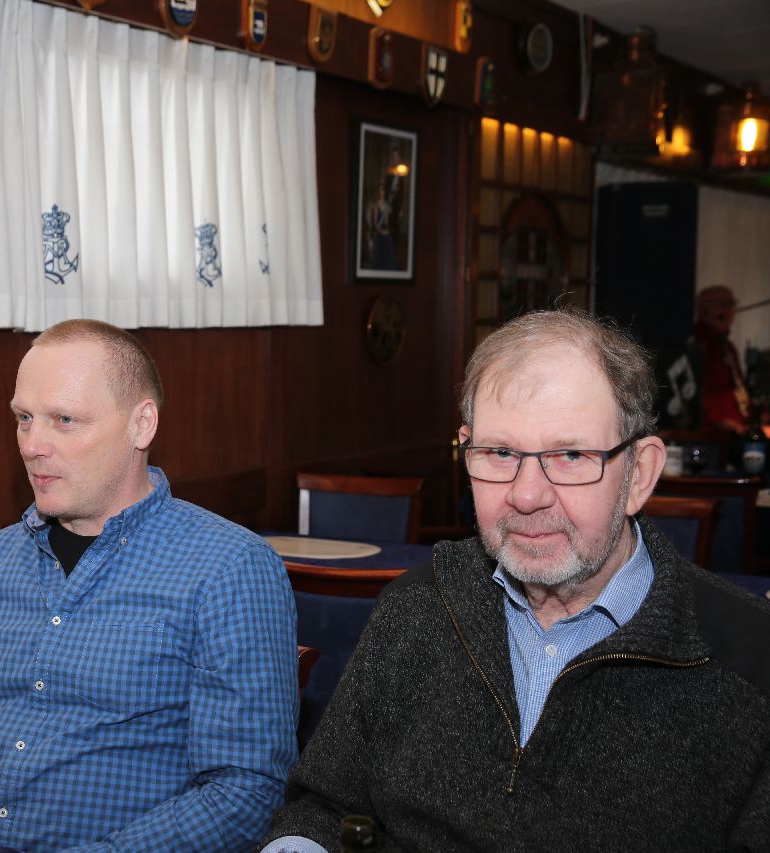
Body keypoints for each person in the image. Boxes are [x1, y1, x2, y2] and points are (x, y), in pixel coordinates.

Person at [262, 308, 770, 851]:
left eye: (570, 455)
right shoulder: (415, 608)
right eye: (500, 453)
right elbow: (324, 807)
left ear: (640, 473)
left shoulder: (751, 661)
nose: (527, 496)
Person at [0, 319, 299, 851]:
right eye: (23, 418)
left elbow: (244, 791)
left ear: (141, 425)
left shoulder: (229, 568)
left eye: (65, 420)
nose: (32, 445)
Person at [692, 284, 750, 434]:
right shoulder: (697, 344)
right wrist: (723, 423)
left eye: (731, 304)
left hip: (737, 426)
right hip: (714, 432)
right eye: (721, 304)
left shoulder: (728, 347)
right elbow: (697, 396)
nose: (728, 310)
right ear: (703, 310)